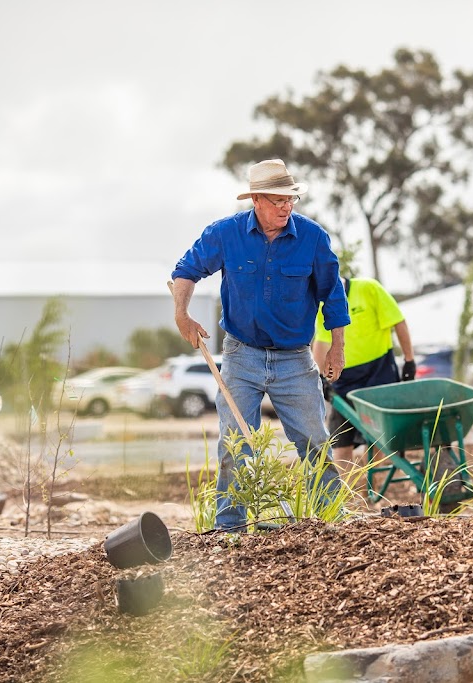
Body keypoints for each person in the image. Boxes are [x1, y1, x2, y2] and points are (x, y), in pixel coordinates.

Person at [170, 159, 350, 531]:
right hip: (241, 356)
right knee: (235, 445)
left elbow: (333, 294)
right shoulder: (225, 234)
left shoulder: (314, 239)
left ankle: (331, 521)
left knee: (315, 442)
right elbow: (185, 271)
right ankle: (230, 528)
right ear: (255, 199)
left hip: (295, 361)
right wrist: (181, 314)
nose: (287, 206)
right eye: (278, 199)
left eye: (291, 198)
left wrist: (337, 347)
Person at [312, 276, 416, 477]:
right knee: (340, 441)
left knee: (379, 439)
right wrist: (320, 378)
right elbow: (322, 342)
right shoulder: (323, 304)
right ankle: (343, 498)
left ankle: (376, 490)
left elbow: (398, 322)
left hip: (379, 374)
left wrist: (409, 361)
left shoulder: (368, 288)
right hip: (345, 381)